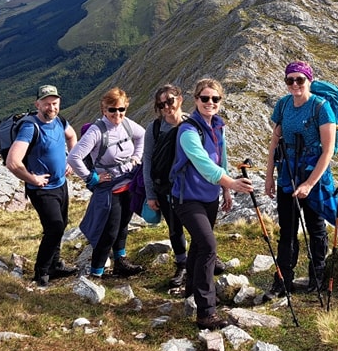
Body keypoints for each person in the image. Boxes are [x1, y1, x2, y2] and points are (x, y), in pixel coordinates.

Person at [170, 77, 253, 330]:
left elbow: (221, 158)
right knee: (208, 246)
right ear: (195, 100)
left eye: (215, 99)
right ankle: (206, 312)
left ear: (220, 102)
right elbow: (204, 164)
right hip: (186, 198)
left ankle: (190, 291)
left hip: (209, 197)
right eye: (205, 98)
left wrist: (225, 191)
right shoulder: (187, 130)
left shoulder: (218, 126)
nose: (210, 103)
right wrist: (232, 183)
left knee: (199, 245)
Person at [263, 61, 337, 296]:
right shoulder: (283, 105)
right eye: (290, 80)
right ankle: (283, 279)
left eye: (300, 80)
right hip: (288, 173)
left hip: (313, 173)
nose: (295, 84)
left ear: (309, 81)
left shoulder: (321, 107)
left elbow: (328, 151)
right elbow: (275, 141)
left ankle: (318, 276)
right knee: (287, 228)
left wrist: (309, 184)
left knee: (315, 227)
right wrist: (269, 177)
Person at [6, 85, 79, 287]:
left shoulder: (61, 121)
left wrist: (71, 161)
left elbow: (72, 137)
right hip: (42, 189)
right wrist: (32, 179)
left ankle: (54, 265)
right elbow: (13, 162)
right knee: (54, 227)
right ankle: (42, 272)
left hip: (60, 184)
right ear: (37, 104)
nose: (51, 107)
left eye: (54, 103)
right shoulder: (30, 127)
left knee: (60, 225)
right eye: (46, 103)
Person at [69, 87, 146, 279]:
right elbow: (74, 157)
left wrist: (137, 156)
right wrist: (92, 178)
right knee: (109, 231)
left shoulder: (127, 124)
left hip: (128, 183)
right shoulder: (97, 131)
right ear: (104, 110)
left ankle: (120, 262)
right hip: (110, 188)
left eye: (121, 109)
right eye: (112, 110)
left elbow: (142, 135)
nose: (117, 114)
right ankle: (96, 274)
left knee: (123, 224)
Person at [142, 84, 190, 288]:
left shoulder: (192, 124)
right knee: (174, 227)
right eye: (161, 105)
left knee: (199, 224)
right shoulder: (154, 129)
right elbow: (148, 162)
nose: (167, 107)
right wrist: (150, 194)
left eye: (170, 101)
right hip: (165, 188)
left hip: (190, 186)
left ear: (179, 99)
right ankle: (182, 264)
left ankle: (206, 258)